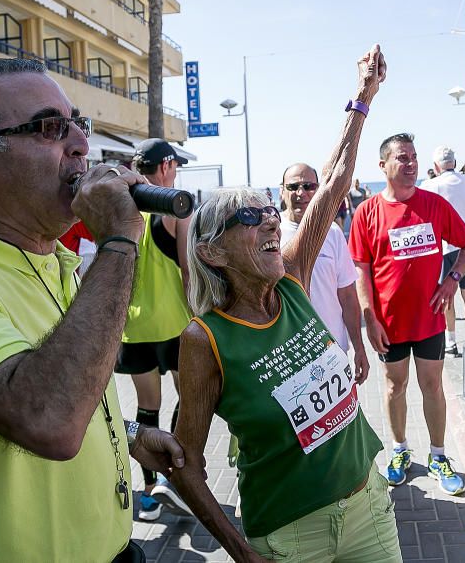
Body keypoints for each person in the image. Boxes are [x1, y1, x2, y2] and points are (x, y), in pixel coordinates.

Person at [0, 58, 184, 561]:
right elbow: (49, 421)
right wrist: (118, 243)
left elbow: (60, 380)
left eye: (77, 125)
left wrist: (129, 433)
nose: (81, 144)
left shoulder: (58, 265)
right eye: (50, 128)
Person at [170, 45, 400, 563]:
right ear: (211, 250)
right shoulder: (204, 339)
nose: (272, 221)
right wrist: (237, 549)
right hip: (291, 536)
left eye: (269, 211)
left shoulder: (292, 279)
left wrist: (363, 96)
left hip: (368, 507)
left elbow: (336, 180)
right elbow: (185, 464)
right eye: (250, 220)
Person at [350, 132, 465, 494]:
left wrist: (452, 279)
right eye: (402, 158)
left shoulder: (434, 205)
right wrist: (368, 317)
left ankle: (438, 455)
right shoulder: (367, 212)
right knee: (394, 385)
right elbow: (360, 268)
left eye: (413, 158)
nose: (410, 165)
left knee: (432, 386)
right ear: (383, 165)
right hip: (387, 324)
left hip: (430, 319)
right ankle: (400, 450)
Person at [122, 137, 193, 521]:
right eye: (174, 164)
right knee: (189, 399)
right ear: (165, 166)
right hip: (174, 323)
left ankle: (149, 490)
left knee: (147, 408)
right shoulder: (175, 207)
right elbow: (186, 270)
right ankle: (178, 475)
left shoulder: (123, 206)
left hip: (132, 325)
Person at [280, 162, 370, 381]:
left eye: (309, 186)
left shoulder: (333, 233)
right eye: (292, 187)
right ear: (282, 191)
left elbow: (348, 296)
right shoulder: (269, 234)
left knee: (342, 416)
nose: (301, 193)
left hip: (332, 351)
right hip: (286, 355)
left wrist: (359, 347)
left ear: (319, 191)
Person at [420, 146, 465, 356]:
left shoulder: (430, 184)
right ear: (454, 163)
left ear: (436, 166)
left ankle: (450, 341)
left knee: (447, 294)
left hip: (449, 245)